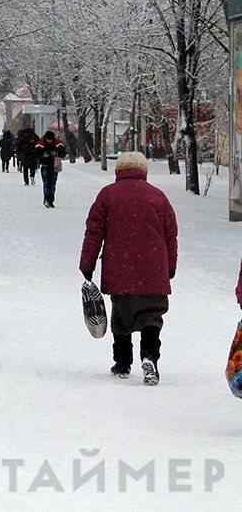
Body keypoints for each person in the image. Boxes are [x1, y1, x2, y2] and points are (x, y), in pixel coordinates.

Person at [79, 152, 177, 386]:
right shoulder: (158, 196)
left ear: (118, 171)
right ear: (144, 171)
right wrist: (170, 267)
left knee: (122, 317)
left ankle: (123, 362)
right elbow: (170, 235)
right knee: (152, 317)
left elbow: (94, 232)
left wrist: (87, 265)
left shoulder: (107, 195)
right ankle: (150, 357)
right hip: (154, 269)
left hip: (120, 269)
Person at [35, 130, 67, 207]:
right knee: (46, 183)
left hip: (54, 166)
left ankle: (50, 200)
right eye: (48, 139)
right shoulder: (41, 144)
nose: (49, 141)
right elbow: (36, 154)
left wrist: (57, 153)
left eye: (51, 139)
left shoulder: (58, 143)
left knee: (52, 184)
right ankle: (46, 199)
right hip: (45, 166)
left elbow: (63, 153)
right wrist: (43, 155)